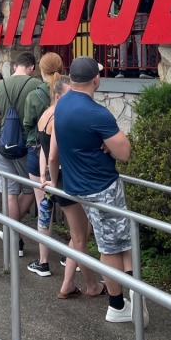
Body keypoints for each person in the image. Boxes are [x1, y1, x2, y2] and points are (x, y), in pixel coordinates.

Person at [55, 56, 148, 326]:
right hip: (101, 186)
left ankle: (133, 293)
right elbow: (125, 152)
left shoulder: (61, 106)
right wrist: (108, 143)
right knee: (111, 245)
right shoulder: (97, 113)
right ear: (96, 79)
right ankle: (117, 305)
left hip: (76, 186)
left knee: (122, 238)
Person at [41, 75, 106, 299]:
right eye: (70, 95)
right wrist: (53, 177)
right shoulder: (60, 117)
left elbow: (42, 149)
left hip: (60, 181)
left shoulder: (47, 115)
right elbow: (52, 155)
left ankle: (68, 284)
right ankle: (92, 285)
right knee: (79, 238)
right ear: (58, 96)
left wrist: (47, 176)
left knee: (78, 236)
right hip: (67, 182)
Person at [0, 51, 43, 257]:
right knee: (28, 191)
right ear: (32, 67)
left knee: (10, 192)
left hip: (3, 143)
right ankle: (12, 232)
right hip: (26, 145)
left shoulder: (0, 86)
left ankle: (14, 239)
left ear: (14, 66)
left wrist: (4, 121)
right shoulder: (36, 85)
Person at [24, 52, 64, 278]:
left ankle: (43, 261)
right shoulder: (69, 90)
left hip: (40, 153)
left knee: (44, 209)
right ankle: (72, 256)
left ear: (41, 70)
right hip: (66, 158)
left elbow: (27, 124)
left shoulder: (34, 95)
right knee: (75, 209)